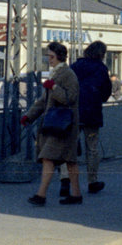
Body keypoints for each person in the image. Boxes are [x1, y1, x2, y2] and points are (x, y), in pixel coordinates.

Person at [22, 41, 83, 206]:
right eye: (48, 56)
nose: (49, 60)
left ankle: (41, 195)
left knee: (48, 157)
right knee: (70, 160)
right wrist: (29, 116)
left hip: (64, 126)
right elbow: (44, 101)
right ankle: (76, 195)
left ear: (60, 57)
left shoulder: (68, 75)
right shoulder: (56, 73)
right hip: (60, 126)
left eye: (51, 56)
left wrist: (54, 87)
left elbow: (70, 98)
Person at [71, 40, 112, 195]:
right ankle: (92, 181)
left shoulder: (75, 66)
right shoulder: (101, 69)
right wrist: (97, 98)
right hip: (92, 113)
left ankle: (65, 180)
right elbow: (106, 92)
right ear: (101, 54)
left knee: (69, 146)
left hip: (74, 111)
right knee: (92, 148)